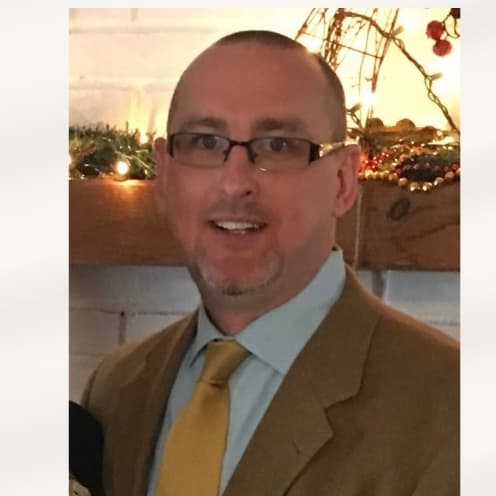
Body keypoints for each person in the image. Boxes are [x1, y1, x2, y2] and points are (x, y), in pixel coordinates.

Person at [81, 30, 459, 496]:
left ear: (343, 181)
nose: (234, 182)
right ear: (164, 174)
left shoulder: (453, 407)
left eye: (278, 145)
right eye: (204, 142)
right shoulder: (115, 389)